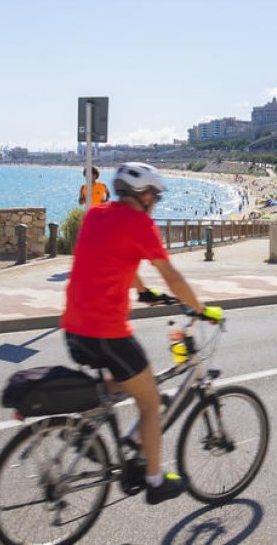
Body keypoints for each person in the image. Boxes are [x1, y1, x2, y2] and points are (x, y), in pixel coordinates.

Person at [61, 162, 223, 505]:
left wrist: (144, 292)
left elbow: (114, 259)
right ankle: (154, 480)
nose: (155, 203)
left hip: (74, 327)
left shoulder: (96, 214)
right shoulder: (141, 224)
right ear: (146, 196)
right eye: (155, 197)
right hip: (106, 331)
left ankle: (90, 428)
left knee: (133, 385)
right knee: (150, 403)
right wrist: (199, 308)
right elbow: (173, 277)